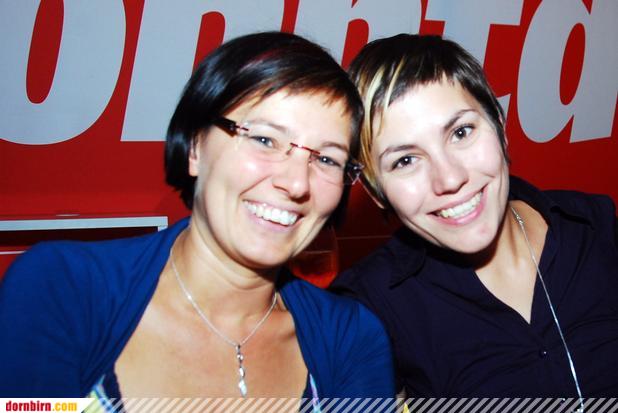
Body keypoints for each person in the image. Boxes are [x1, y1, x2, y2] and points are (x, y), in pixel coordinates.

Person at [0, 32, 395, 405]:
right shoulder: (64, 289)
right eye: (264, 139)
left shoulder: (350, 340)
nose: (296, 183)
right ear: (194, 147)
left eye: (326, 159)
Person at [331, 33, 618, 400]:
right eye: (405, 160)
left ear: (498, 124)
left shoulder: (594, 227)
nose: (450, 178)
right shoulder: (368, 308)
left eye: (461, 132)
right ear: (376, 192)